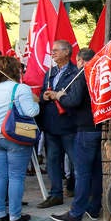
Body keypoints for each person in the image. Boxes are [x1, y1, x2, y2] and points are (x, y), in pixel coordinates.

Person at [0, 56, 39, 221]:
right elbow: (30, 112)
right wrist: (37, 103)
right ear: (15, 70)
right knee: (16, 177)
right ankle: (14, 216)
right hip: (15, 136)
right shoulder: (21, 88)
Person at [49, 48, 103, 221]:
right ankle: (94, 208)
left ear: (79, 60)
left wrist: (60, 96)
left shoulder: (82, 75)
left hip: (85, 129)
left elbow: (74, 101)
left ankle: (76, 213)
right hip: (97, 128)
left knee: (82, 172)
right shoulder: (98, 74)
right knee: (95, 172)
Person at [37, 39, 78, 208]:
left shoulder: (75, 72)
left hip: (68, 124)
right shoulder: (51, 72)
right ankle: (55, 194)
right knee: (53, 160)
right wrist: (44, 96)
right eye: (52, 50)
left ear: (67, 52)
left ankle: (76, 188)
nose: (52, 53)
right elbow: (42, 92)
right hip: (51, 123)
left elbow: (76, 97)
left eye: (56, 50)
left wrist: (58, 95)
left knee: (76, 160)